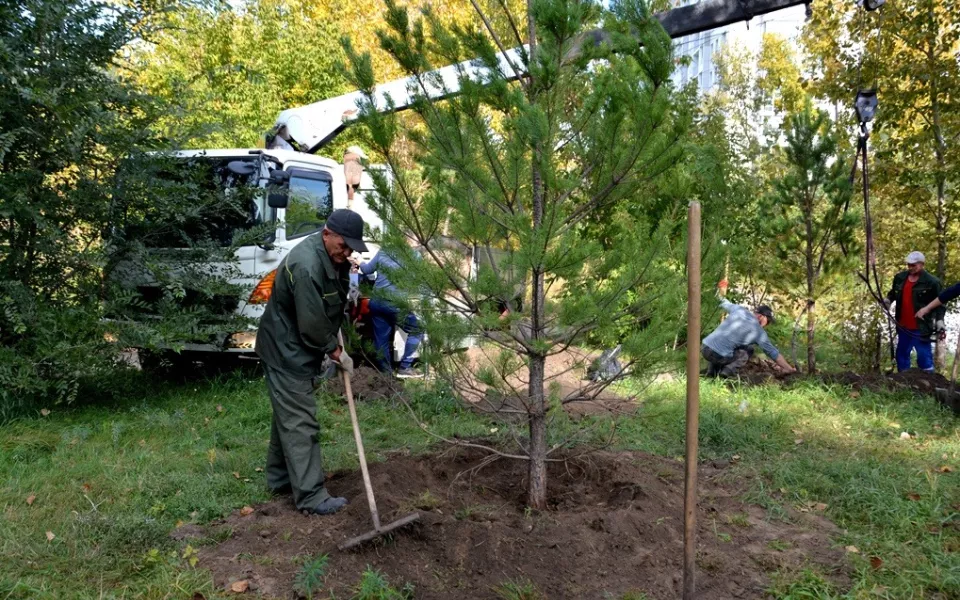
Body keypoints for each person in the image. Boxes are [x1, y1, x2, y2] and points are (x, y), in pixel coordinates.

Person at [255, 209, 367, 516]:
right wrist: (336, 351)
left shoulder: (333, 257)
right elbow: (312, 324)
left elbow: (331, 301)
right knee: (301, 421)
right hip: (286, 350)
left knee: (288, 415)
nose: (347, 252)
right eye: (344, 245)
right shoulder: (306, 266)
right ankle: (311, 496)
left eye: (352, 248)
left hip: (298, 347)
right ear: (327, 233)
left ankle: (280, 480)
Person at [354, 246, 424, 378]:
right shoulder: (414, 255)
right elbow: (418, 280)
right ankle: (405, 367)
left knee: (381, 339)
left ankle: (386, 373)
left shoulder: (384, 251)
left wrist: (360, 261)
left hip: (376, 302)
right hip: (395, 303)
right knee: (417, 330)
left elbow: (367, 269)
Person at [701, 294, 796, 378]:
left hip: (704, 348)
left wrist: (717, 294)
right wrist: (788, 368)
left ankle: (711, 373)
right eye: (768, 321)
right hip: (718, 355)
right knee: (748, 350)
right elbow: (773, 353)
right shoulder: (759, 332)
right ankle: (727, 372)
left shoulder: (739, 310)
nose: (768, 324)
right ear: (761, 316)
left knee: (724, 344)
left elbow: (724, 302)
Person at [885, 251, 944, 372]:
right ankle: (903, 382)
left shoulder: (932, 282)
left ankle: (928, 384)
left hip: (921, 327)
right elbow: (893, 293)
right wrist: (887, 300)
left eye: (914, 265)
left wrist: (940, 322)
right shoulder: (900, 278)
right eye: (909, 265)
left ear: (922, 264)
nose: (910, 268)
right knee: (901, 355)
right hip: (903, 325)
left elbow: (940, 304)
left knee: (924, 357)